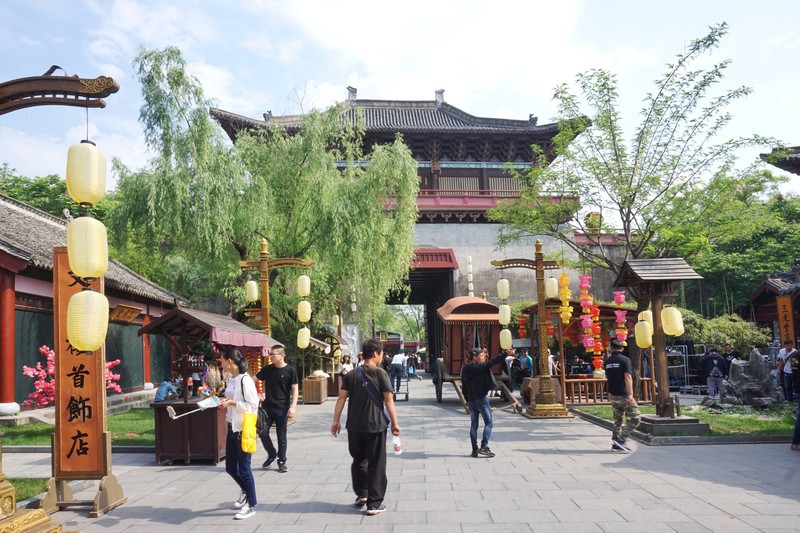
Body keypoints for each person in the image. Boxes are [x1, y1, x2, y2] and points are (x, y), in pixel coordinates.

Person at [331, 338, 400, 516]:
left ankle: (362, 494)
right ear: (376, 354)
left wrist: (336, 421)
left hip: (354, 426)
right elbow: (389, 400)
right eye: (381, 354)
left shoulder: (352, 374)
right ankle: (374, 503)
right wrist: (395, 423)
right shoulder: (380, 373)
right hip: (375, 426)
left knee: (359, 460)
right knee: (376, 463)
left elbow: (341, 398)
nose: (382, 357)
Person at [217, 347, 259, 520]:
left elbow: (253, 405)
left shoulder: (245, 380)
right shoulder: (231, 379)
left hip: (243, 429)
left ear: (229, 361)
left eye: (221, 360)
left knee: (244, 468)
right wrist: (224, 402)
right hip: (231, 427)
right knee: (230, 468)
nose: (220, 363)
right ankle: (245, 490)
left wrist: (232, 403)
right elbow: (232, 400)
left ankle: (251, 504)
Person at [255, 345, 298, 473]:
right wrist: (256, 394)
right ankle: (272, 453)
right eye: (270, 354)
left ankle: (282, 461)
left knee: (281, 436)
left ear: (282, 355)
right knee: (262, 432)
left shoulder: (290, 370)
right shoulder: (267, 369)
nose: (271, 356)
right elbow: (252, 380)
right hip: (266, 408)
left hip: (282, 408)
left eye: (273, 354)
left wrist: (293, 406)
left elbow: (295, 389)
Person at [461, 347, 505, 458]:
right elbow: (491, 363)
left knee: (474, 426)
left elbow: (464, 387)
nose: (482, 357)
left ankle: (474, 450)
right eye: (480, 355)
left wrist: (467, 400)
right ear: (474, 357)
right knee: (489, 423)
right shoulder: (479, 368)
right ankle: (484, 446)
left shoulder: (466, 368)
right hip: (481, 400)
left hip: (471, 401)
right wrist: (505, 354)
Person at [603, 339, 640, 453]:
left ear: (611, 348)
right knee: (635, 418)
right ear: (622, 348)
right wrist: (630, 394)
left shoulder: (607, 361)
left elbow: (608, 377)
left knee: (617, 420)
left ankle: (615, 443)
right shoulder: (625, 360)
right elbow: (627, 377)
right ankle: (622, 439)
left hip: (613, 394)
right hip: (624, 394)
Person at [789, 346, 800, 451]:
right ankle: (796, 442)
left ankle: (796, 443)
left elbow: (795, 372)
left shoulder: (794, 356)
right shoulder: (796, 356)